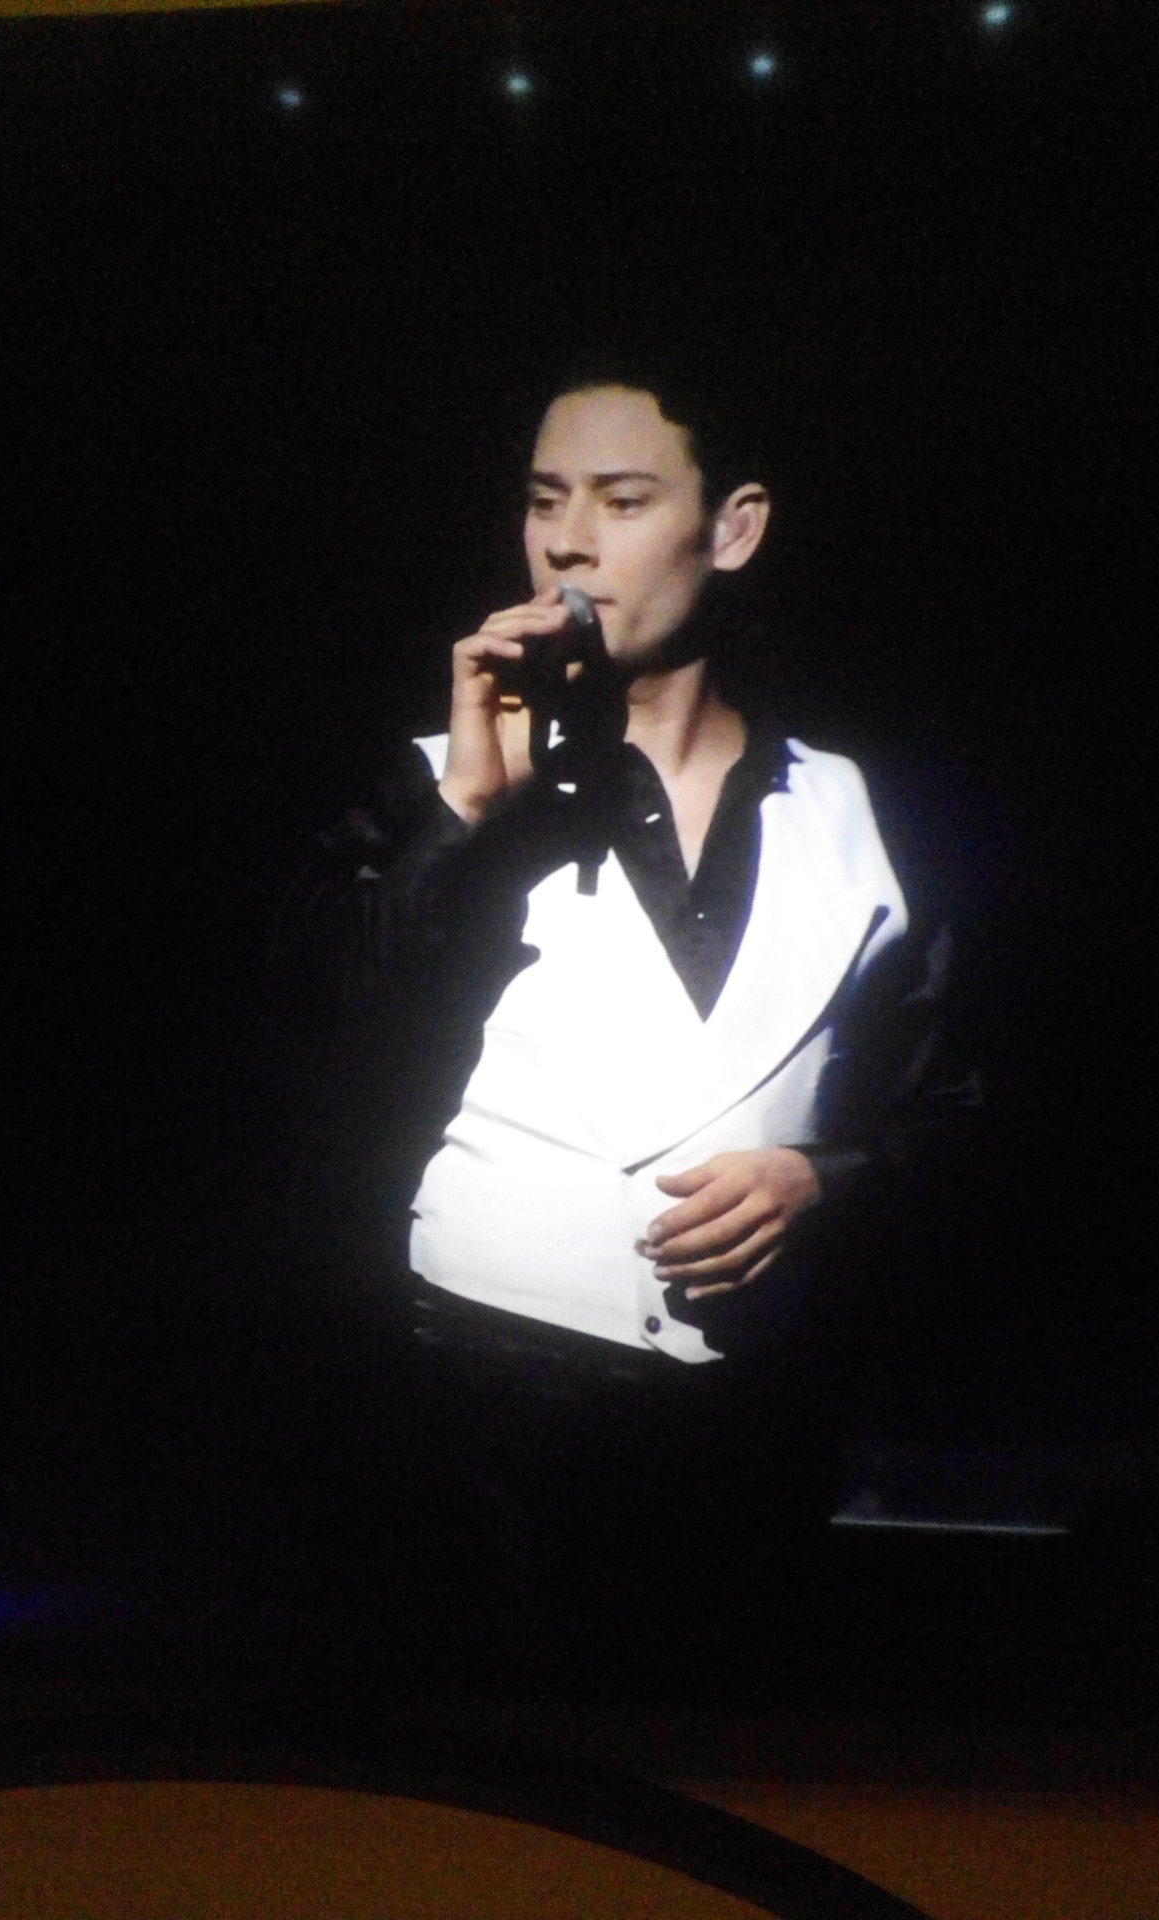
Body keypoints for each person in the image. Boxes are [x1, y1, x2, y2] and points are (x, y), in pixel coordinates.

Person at [275, 358, 980, 1672]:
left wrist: (822, 1178)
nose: (568, 542)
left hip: (743, 1445)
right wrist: (467, 812)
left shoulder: (854, 809)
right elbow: (314, 1049)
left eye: (622, 498)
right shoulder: (434, 788)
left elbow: (955, 1107)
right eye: (546, 499)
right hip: (464, 1425)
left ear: (734, 529)